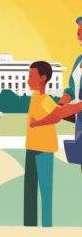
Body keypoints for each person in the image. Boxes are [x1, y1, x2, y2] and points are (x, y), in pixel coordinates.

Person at [25, 61, 82, 227]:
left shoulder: (44, 100)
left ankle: (45, 228)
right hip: (33, 148)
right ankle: (32, 227)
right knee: (33, 193)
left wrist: (37, 123)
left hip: (43, 150)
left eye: (31, 76)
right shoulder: (37, 97)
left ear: (43, 78)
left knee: (43, 192)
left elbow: (58, 114)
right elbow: (59, 114)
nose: (27, 80)